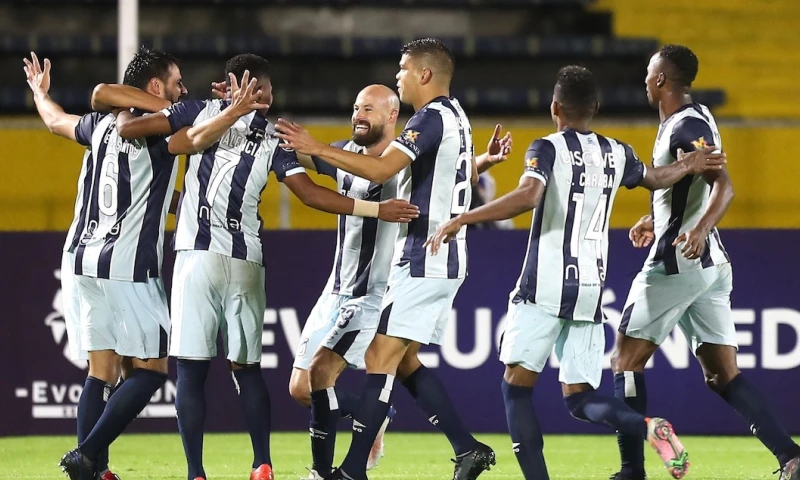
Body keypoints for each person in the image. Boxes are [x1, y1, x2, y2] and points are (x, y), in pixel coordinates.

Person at [104, 54, 418, 480]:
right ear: (253, 89)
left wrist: (217, 110)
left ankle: (197, 472)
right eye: (260, 94)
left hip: (197, 259)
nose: (263, 102)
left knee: (192, 371)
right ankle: (261, 464)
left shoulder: (202, 112)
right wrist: (373, 208)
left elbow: (162, 139)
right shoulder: (269, 135)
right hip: (245, 261)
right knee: (248, 370)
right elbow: (309, 194)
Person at [426, 65, 727, 480]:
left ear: (555, 108)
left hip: (544, 286)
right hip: (589, 290)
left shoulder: (545, 148)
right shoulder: (616, 151)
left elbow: (529, 195)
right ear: (596, 108)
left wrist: (463, 217)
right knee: (580, 398)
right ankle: (644, 424)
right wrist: (690, 163)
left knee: (515, 388)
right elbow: (657, 179)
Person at [276, 38, 510, 480]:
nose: (398, 75)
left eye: (402, 69)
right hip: (430, 259)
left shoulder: (428, 120)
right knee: (396, 362)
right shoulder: (455, 116)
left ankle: (349, 470)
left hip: (425, 256)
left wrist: (316, 146)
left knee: (378, 360)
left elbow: (383, 170)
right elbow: (448, 174)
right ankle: (464, 448)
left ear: (423, 74)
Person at [610, 44, 800, 480]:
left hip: (680, 263)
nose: (643, 78)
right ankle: (791, 456)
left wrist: (693, 230)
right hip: (708, 266)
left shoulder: (686, 125)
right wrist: (655, 219)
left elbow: (724, 187)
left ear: (661, 80)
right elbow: (688, 190)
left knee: (625, 361)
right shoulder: (692, 119)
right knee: (722, 374)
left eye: (648, 72)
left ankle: (630, 470)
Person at [39, 47, 188, 480]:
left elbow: (53, 120)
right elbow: (109, 93)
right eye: (176, 83)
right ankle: (86, 456)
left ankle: (94, 472)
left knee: (100, 372)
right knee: (152, 370)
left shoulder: (98, 125)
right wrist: (180, 109)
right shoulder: (156, 128)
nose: (182, 91)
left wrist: (38, 92)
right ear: (156, 87)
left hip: (81, 259)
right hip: (129, 263)